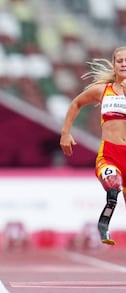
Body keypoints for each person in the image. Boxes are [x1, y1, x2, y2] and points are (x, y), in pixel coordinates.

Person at [60, 46, 126, 246]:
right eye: (119, 61)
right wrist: (65, 133)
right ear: (114, 65)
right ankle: (103, 223)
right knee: (113, 186)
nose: (123, 64)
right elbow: (76, 104)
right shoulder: (102, 91)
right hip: (110, 156)